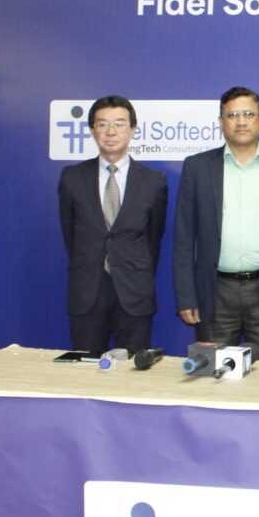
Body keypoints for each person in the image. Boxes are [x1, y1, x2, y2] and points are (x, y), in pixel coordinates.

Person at [172, 86, 259, 361]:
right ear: (221, 122)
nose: (241, 121)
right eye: (233, 115)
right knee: (214, 376)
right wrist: (186, 297)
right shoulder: (197, 168)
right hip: (215, 292)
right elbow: (183, 239)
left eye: (248, 114)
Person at [58, 96, 167, 355]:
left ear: (133, 129)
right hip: (87, 290)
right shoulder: (72, 178)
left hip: (134, 291)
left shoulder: (153, 181)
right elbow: (70, 234)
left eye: (119, 124)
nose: (111, 132)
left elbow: (154, 237)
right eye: (102, 124)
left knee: (132, 369)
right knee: (84, 366)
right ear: (92, 129)